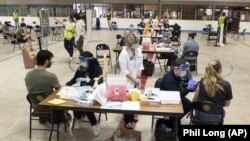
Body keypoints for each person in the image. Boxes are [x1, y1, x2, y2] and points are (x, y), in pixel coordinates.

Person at [66, 51, 102, 136]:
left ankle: (94, 124)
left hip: (94, 91)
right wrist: (68, 84)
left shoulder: (97, 68)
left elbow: (100, 82)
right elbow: (75, 78)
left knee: (85, 104)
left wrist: (88, 80)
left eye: (83, 61)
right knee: (74, 102)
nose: (82, 63)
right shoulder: (80, 68)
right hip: (83, 90)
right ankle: (78, 118)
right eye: (81, 61)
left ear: (89, 61)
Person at [25, 50, 66, 123]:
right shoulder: (51, 76)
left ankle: (42, 118)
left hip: (36, 106)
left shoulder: (28, 75)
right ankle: (63, 117)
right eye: (50, 60)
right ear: (46, 61)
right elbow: (59, 90)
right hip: (49, 106)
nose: (51, 62)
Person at [118, 32, 144, 129]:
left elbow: (140, 65)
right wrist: (134, 80)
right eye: (130, 41)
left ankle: (134, 114)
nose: (132, 42)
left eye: (134, 40)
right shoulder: (124, 53)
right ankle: (128, 120)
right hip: (127, 80)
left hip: (136, 79)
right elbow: (125, 71)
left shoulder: (138, 50)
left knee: (136, 98)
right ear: (127, 43)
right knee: (127, 101)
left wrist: (138, 77)